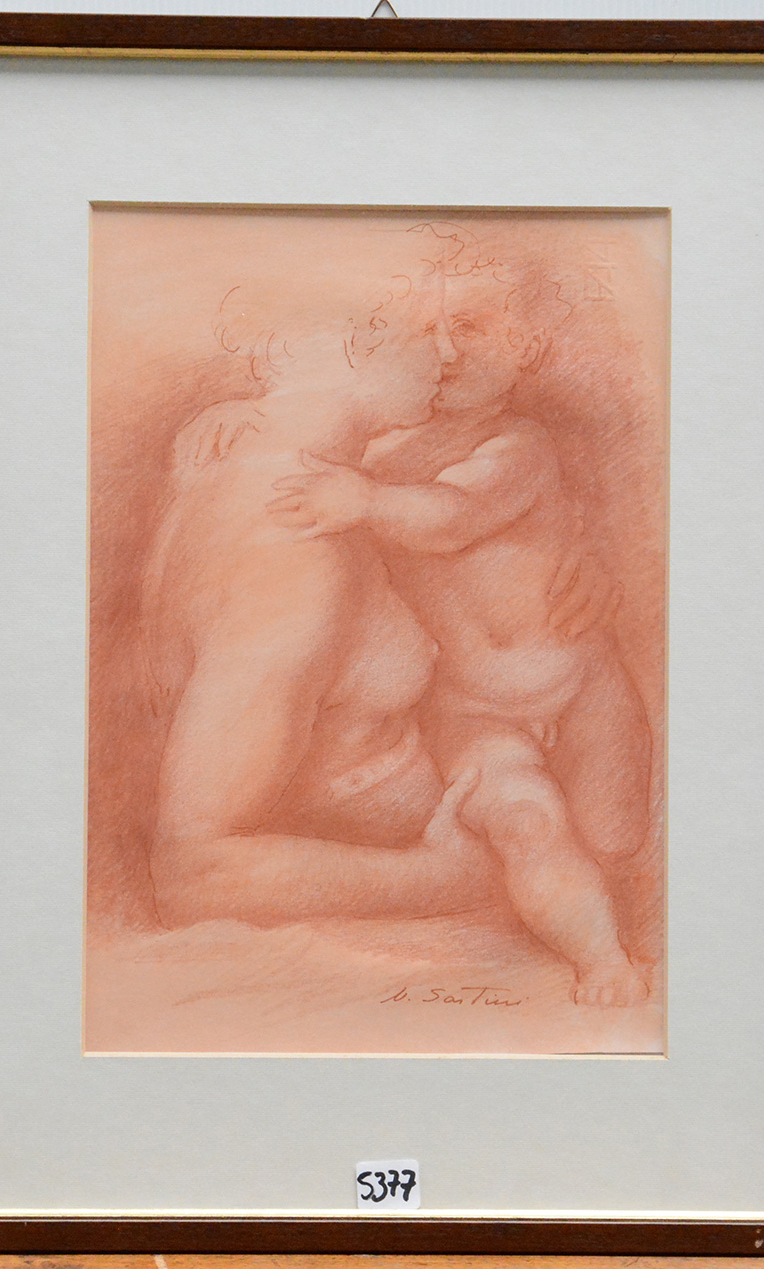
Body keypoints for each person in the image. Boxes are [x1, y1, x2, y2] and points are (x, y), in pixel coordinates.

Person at [267, 254, 653, 1006]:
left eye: (471, 328)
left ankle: (600, 914)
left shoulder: (520, 447)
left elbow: (454, 518)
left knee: (615, 838)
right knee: (527, 819)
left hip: (585, 687)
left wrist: (367, 502)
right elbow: (291, 433)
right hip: (471, 712)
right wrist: (228, 422)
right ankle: (602, 960)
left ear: (526, 348)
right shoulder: (376, 457)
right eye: (428, 330)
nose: (444, 351)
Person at [140, 268, 506, 932]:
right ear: (356, 343)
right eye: (425, 331)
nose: (449, 356)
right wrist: (448, 878)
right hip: (387, 920)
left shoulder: (245, 464)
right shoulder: (293, 557)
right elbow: (197, 871)